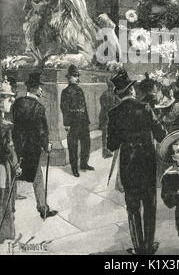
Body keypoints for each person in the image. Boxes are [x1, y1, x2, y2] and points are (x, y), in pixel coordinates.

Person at [107, 69, 166, 255]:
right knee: (149, 205)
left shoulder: (114, 113)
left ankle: (139, 249)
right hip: (147, 162)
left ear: (119, 94)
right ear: (132, 91)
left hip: (128, 164)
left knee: (132, 208)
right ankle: (148, 247)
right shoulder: (145, 108)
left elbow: (111, 145)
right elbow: (161, 134)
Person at [12, 72, 58, 219]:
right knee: (38, 178)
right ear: (35, 88)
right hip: (32, 149)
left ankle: (9, 210)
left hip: (18, 147)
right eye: (40, 87)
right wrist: (47, 146)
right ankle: (43, 208)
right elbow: (42, 132)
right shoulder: (38, 107)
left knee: (12, 176)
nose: (41, 90)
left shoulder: (17, 103)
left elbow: (15, 126)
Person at [60, 65, 94, 177]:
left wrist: (87, 120)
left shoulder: (79, 90)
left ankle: (84, 164)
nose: (77, 78)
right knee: (73, 146)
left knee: (86, 144)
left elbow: (83, 106)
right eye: (75, 76)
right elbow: (64, 108)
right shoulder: (65, 92)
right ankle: (74, 168)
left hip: (83, 122)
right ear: (69, 77)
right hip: (73, 123)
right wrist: (66, 123)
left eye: (78, 76)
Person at [0, 81, 21, 243]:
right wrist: (16, 166)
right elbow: (9, 149)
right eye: (9, 99)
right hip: (2, 168)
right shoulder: (5, 127)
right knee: (4, 198)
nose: (12, 101)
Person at [99, 78, 119, 159]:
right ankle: (107, 151)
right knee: (108, 134)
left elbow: (102, 104)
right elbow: (116, 105)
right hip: (109, 117)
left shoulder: (104, 94)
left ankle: (105, 151)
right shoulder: (113, 94)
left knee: (105, 134)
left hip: (104, 116)